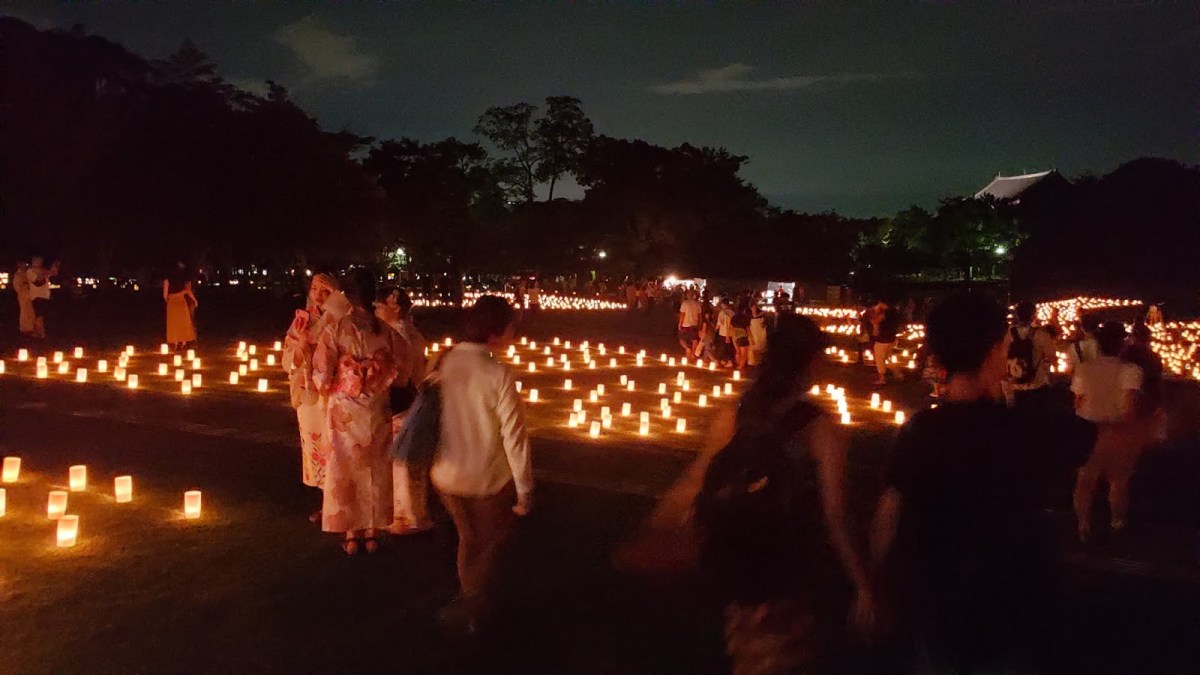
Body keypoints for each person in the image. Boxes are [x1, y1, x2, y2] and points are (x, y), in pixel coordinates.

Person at [870, 294, 1082, 674]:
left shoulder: (920, 430)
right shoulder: (1024, 430)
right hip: (1007, 608)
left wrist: (873, 589)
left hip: (937, 605)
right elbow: (1101, 445)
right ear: (992, 351)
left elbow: (888, 512)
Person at [691, 314, 873, 673]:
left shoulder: (740, 412)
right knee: (787, 656)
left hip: (738, 561)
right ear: (812, 362)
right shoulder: (817, 426)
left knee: (750, 654)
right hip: (789, 566)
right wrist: (863, 585)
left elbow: (703, 480)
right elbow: (837, 514)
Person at [432, 295, 533, 631]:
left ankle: (470, 599)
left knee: (469, 538)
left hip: (446, 474)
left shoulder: (445, 361)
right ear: (495, 333)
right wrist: (524, 489)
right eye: (511, 329)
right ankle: (470, 607)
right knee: (488, 544)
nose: (514, 335)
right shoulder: (497, 372)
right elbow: (514, 436)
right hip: (486, 479)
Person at [313, 268, 407, 555]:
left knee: (345, 465)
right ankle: (372, 530)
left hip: (345, 406)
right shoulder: (385, 331)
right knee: (375, 467)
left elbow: (321, 373)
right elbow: (402, 367)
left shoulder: (336, 329)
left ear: (347, 297)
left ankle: (351, 531)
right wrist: (379, 376)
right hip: (376, 404)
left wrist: (333, 382)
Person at [1071, 322, 1146, 543]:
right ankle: (1117, 523)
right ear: (1122, 344)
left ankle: (1083, 525)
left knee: (1085, 481)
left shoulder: (1084, 369)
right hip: (1116, 430)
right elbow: (1130, 406)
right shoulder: (1131, 371)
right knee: (1118, 481)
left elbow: (1077, 401)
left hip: (1087, 430)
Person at [283, 272, 346, 522]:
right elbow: (288, 358)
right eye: (314, 289)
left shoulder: (342, 318)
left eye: (325, 290)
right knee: (317, 446)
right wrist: (301, 345)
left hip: (335, 391)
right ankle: (326, 503)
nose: (318, 295)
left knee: (338, 447)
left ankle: (343, 505)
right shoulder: (303, 320)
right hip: (309, 391)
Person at [383, 288, 434, 535]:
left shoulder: (397, 334)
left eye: (379, 306)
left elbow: (401, 373)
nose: (377, 311)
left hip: (402, 398)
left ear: (393, 307)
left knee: (400, 462)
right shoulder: (412, 332)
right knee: (410, 461)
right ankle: (415, 512)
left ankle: (404, 516)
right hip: (415, 398)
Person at [1003, 300, 1057, 409]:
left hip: (1015, 387)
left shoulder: (1008, 334)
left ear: (1017, 315)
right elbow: (1052, 357)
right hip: (1037, 387)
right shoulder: (1041, 334)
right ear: (1033, 315)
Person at [163, 261, 198, 351]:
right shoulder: (183, 280)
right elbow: (188, 291)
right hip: (181, 302)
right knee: (183, 322)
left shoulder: (167, 280)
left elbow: (165, 295)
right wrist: (194, 300)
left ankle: (176, 343)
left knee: (174, 323)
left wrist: (168, 301)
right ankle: (183, 342)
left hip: (172, 302)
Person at [870, 299, 901, 385]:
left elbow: (874, 322)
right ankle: (897, 374)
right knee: (888, 358)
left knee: (879, 359)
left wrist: (875, 312)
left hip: (882, 340)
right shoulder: (895, 313)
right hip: (891, 339)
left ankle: (882, 379)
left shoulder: (885, 314)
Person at [26, 256, 57, 339]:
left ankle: (36, 332)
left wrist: (53, 267)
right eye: (38, 260)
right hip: (37, 296)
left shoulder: (42, 270)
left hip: (45, 295)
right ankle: (42, 333)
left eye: (41, 261)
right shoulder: (30, 271)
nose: (40, 262)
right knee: (40, 315)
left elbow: (53, 273)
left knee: (40, 315)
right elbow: (38, 282)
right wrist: (45, 273)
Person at [13, 261, 36, 339]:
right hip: (23, 296)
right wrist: (24, 286)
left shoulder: (28, 273)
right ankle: (25, 328)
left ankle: (31, 327)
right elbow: (17, 287)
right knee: (24, 312)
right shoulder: (18, 275)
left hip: (30, 296)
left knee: (31, 312)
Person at [677, 290, 703, 357]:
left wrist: (680, 324)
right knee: (695, 340)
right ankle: (693, 354)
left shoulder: (684, 303)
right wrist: (700, 325)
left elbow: (682, 315)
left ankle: (687, 348)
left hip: (685, 324)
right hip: (694, 324)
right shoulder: (697, 304)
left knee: (681, 338)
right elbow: (700, 316)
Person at [730, 300, 752, 370]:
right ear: (744, 310)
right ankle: (741, 366)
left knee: (738, 352)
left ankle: (737, 364)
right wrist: (750, 338)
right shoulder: (745, 318)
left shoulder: (734, 317)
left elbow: (730, 327)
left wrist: (729, 337)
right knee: (744, 354)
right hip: (743, 336)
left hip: (735, 336)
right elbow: (748, 329)